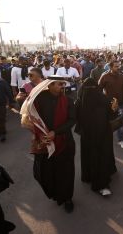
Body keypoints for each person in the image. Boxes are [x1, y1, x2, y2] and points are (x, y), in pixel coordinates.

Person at [20, 76, 76, 213]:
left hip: (64, 142)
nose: (62, 86)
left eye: (63, 84)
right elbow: (28, 113)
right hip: (44, 142)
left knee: (66, 173)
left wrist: (55, 132)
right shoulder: (38, 99)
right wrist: (20, 98)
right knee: (44, 173)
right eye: (58, 84)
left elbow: (72, 120)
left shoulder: (68, 100)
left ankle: (67, 198)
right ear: (49, 85)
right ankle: (56, 194)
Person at [75, 78, 118, 196]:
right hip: (101, 135)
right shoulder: (103, 99)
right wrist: (114, 109)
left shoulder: (80, 101)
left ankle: (90, 176)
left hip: (91, 136)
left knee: (92, 156)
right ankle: (101, 184)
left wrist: (113, 108)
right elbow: (112, 116)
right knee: (101, 157)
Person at [99, 60, 123, 149]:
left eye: (118, 66)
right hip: (108, 105)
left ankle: (120, 140)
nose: (118, 68)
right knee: (108, 123)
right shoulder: (104, 76)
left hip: (121, 104)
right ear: (110, 67)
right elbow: (99, 89)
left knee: (120, 123)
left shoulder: (122, 76)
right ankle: (106, 140)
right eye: (116, 66)